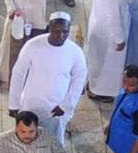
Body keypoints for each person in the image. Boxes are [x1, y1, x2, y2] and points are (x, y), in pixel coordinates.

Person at [10, 12, 89, 144]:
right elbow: (18, 73)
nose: (61, 35)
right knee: (27, 138)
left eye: (65, 31)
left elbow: (79, 80)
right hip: (31, 103)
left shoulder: (75, 52)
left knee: (55, 141)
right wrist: (13, 103)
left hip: (57, 107)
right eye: (57, 31)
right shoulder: (33, 45)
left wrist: (66, 106)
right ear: (49, 28)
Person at [85, 0, 128, 98]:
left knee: (95, 57)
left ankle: (92, 83)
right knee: (107, 63)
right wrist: (119, 39)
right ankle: (100, 91)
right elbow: (113, 18)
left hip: (97, 21)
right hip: (108, 32)